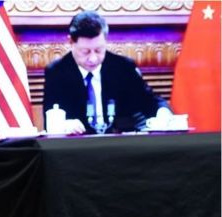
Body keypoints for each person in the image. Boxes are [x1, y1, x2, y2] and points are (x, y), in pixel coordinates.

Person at [43, 11, 172, 135]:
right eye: (85, 52)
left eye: (98, 50)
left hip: (120, 146)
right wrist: (64, 125)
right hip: (77, 148)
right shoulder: (57, 72)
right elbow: (50, 119)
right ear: (71, 42)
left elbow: (152, 102)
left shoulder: (123, 68)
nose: (93, 59)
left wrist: (163, 113)